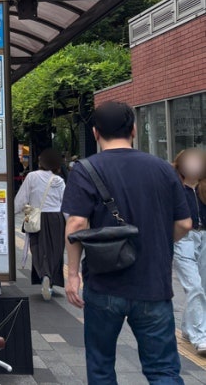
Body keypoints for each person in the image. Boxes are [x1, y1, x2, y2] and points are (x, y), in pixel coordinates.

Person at [62, 101, 191, 384]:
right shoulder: (163, 169)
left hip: (104, 284)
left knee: (101, 366)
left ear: (95, 133)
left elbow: (77, 223)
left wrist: (72, 275)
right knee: (163, 370)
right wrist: (158, 241)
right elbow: (184, 224)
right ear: (133, 130)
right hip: (153, 285)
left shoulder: (85, 169)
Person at [14, 148, 66, 301]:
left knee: (37, 248)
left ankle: (44, 275)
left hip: (37, 217)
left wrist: (9, 214)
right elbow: (67, 202)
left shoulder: (32, 176)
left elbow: (21, 199)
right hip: (57, 218)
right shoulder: (59, 180)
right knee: (55, 250)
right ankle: (50, 279)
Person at [172, 148, 206, 355]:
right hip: (184, 238)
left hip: (204, 237)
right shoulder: (174, 186)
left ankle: (187, 327)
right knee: (194, 286)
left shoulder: (203, 188)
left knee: (202, 286)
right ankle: (200, 336)